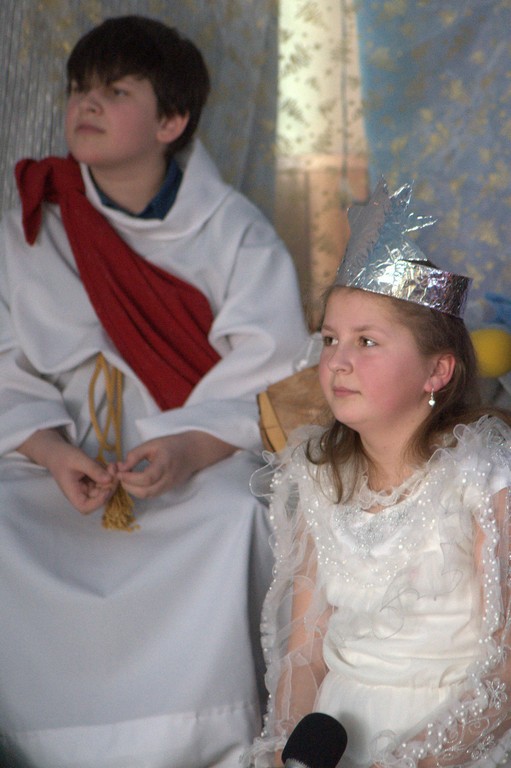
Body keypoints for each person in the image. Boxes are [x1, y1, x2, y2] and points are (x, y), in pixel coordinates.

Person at [0, 15, 310, 768]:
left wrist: (188, 449)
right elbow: (6, 360)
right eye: (79, 89)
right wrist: (50, 451)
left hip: (192, 450)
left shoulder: (235, 232)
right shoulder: (29, 225)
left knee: (237, 513)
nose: (86, 104)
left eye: (115, 92)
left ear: (171, 121)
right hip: (56, 455)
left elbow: (271, 370)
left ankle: (204, 737)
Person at [243, 179, 511, 768]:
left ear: (436, 372)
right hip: (337, 734)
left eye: (367, 341)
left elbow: (506, 669)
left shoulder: (482, 476)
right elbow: (305, 653)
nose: (337, 361)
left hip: (450, 741)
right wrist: (285, 747)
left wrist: (412, 761)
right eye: (330, 339)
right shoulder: (321, 479)